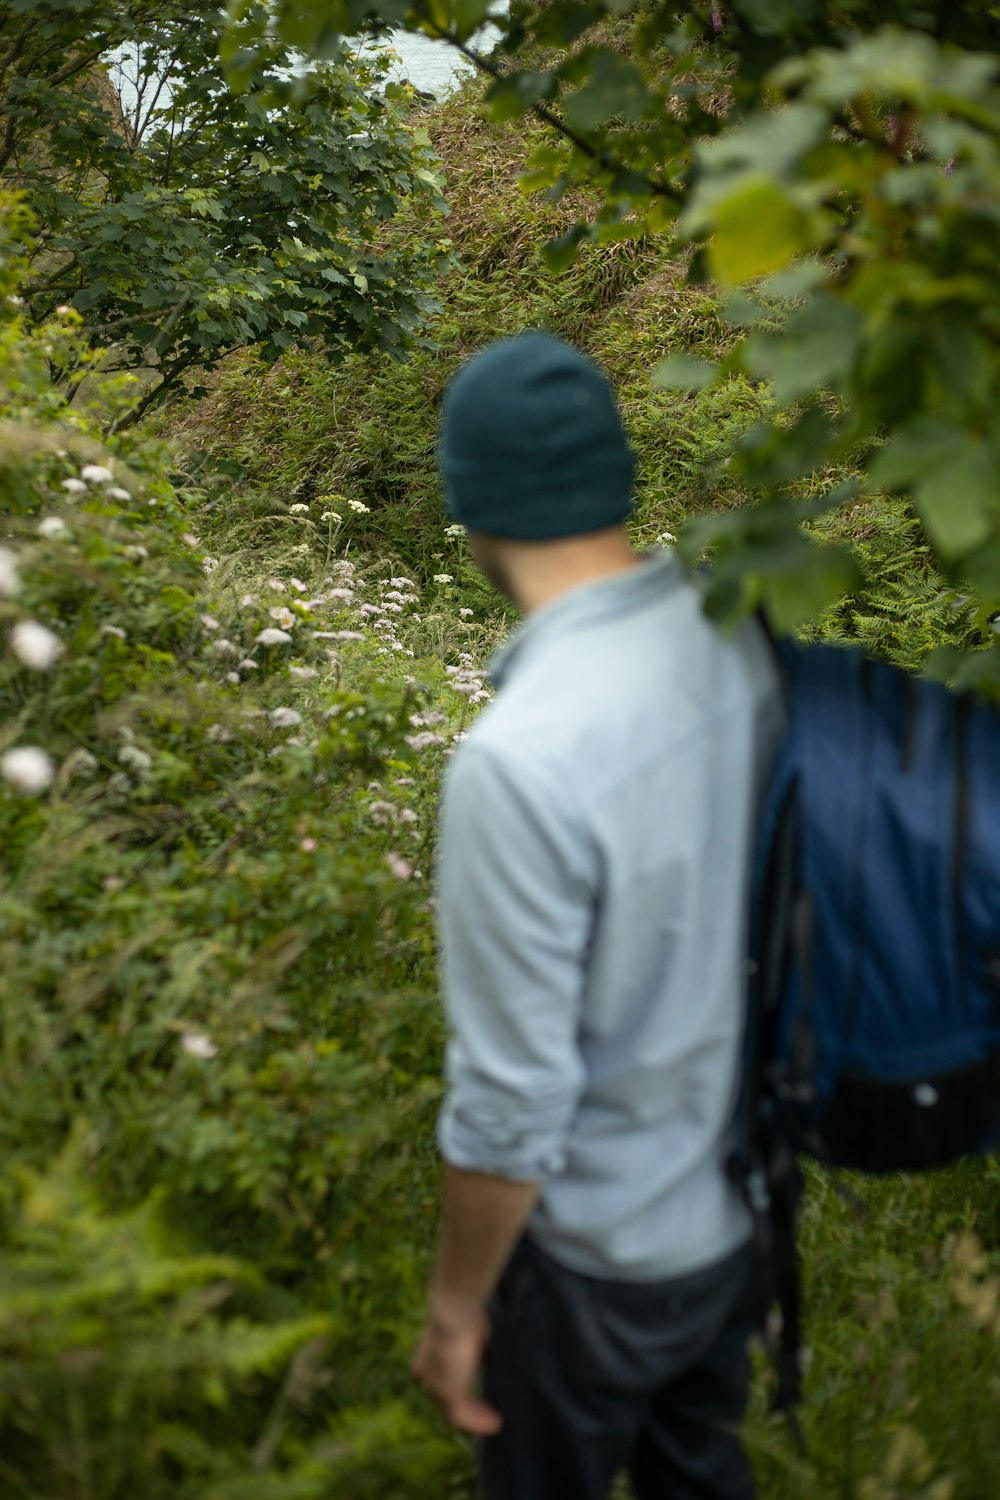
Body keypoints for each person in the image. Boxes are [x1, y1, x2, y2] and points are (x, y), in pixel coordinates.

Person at [412, 330, 784, 1499]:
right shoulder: (741, 649)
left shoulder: (519, 761)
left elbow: (516, 1103)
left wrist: (455, 1305)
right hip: (736, 1224)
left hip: (590, 1266)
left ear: (472, 504)